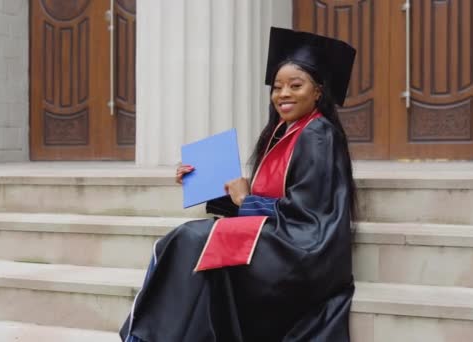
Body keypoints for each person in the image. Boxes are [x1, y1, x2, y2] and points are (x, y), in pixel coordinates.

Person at [120, 27, 357, 342]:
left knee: (191, 240)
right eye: (277, 87)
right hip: (281, 238)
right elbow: (261, 202)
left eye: (295, 86)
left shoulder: (317, 134)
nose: (282, 94)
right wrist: (202, 182)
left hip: (306, 251)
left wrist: (247, 201)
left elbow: (309, 214)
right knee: (183, 242)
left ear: (318, 91)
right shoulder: (284, 133)